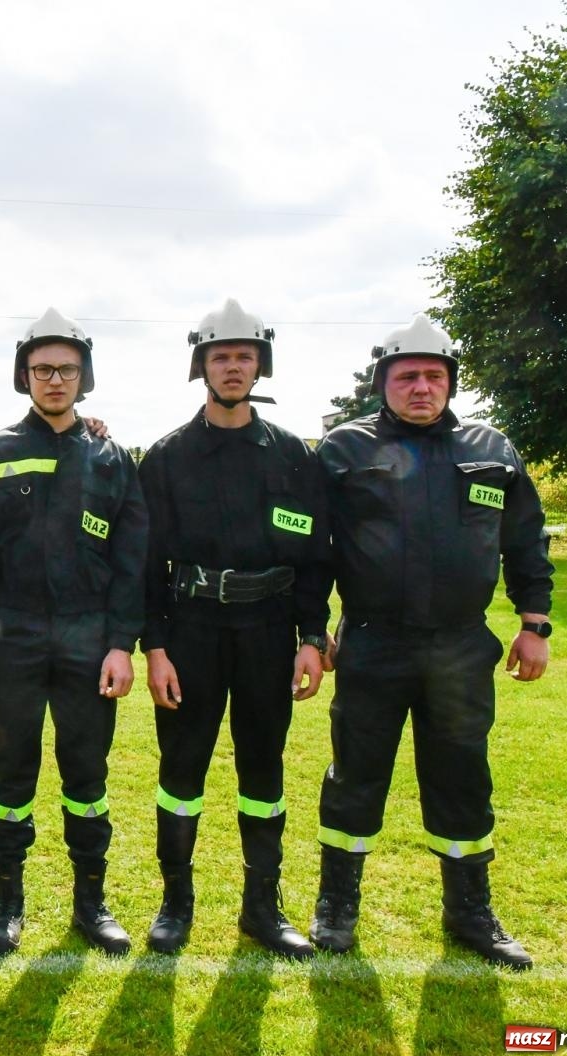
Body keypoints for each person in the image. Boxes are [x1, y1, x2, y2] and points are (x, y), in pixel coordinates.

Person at [310, 314, 553, 970]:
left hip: (461, 649)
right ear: (382, 382)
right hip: (372, 644)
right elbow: (309, 551)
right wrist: (311, 632)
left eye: (434, 376)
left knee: (462, 778)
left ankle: (470, 910)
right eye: (407, 376)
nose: (422, 387)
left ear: (451, 382)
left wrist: (534, 625)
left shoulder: (492, 450)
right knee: (356, 776)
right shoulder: (343, 452)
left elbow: (527, 542)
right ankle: (337, 905)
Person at [0, 308, 147, 956]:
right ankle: (7, 906)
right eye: (42, 368)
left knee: (86, 775)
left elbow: (131, 558)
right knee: (11, 775)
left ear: (83, 375)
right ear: (24, 375)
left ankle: (91, 905)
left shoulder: (111, 458)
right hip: (14, 634)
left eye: (66, 368)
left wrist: (121, 644)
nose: (55, 379)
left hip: (90, 639)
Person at [137, 299, 328, 959]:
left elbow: (313, 556)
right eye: (221, 356)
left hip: (267, 630)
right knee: (181, 767)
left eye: (244, 356)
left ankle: (261, 909)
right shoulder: (164, 459)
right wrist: (155, 648)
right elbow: (144, 565)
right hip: (188, 631)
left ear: (259, 365)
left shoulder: (293, 458)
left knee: (263, 768)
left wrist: (312, 637)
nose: (233, 366)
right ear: (202, 365)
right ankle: (175, 904)